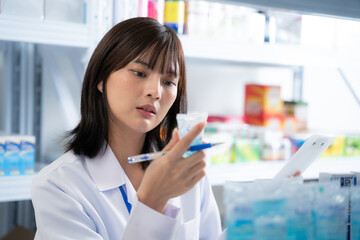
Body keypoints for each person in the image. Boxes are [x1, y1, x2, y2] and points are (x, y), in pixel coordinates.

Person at [31, 17, 222, 239]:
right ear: (101, 78)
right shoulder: (59, 186)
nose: (155, 92)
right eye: (139, 73)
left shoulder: (185, 171)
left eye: (169, 82)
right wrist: (152, 201)